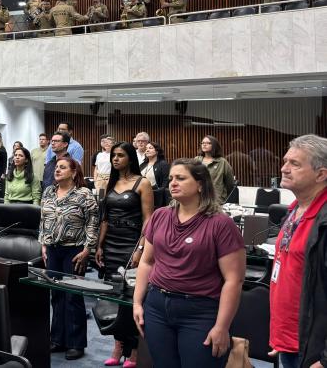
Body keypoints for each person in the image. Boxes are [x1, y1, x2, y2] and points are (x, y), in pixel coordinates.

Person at [132, 159, 246, 368]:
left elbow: (234, 280)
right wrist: (137, 303)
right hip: (157, 306)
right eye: (171, 179)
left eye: (181, 178)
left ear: (200, 184)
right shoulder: (160, 216)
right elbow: (147, 262)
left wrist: (222, 326)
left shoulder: (220, 224)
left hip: (200, 312)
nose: (173, 183)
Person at [264, 135, 327, 368]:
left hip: (315, 352)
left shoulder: (324, 221)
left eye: (295, 164)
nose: (284, 168)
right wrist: (280, 334)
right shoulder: (294, 210)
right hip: (290, 341)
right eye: (285, 161)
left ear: (321, 174)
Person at [96, 143, 154, 367]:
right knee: (114, 297)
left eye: (120, 155)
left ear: (130, 158)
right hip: (111, 243)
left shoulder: (142, 183)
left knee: (132, 297)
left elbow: (148, 220)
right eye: (113, 155)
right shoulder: (111, 182)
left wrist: (141, 249)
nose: (115, 159)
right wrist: (99, 246)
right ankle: (118, 345)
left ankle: (134, 349)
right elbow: (105, 218)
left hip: (131, 243)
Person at [39, 156, 99, 360]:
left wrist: (88, 249)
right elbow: (43, 219)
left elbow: (93, 223)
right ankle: (57, 339)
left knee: (73, 296)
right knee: (56, 294)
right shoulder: (49, 191)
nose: (57, 170)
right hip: (52, 249)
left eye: (62, 167)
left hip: (75, 250)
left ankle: (76, 343)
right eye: (57, 167)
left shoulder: (84, 194)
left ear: (73, 172)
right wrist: (43, 244)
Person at [195, 135, 236, 202]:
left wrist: (222, 196)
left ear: (214, 145)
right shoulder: (196, 160)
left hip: (216, 200)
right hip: (198, 198)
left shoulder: (222, 162)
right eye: (203, 143)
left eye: (208, 143)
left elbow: (229, 183)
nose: (204, 145)